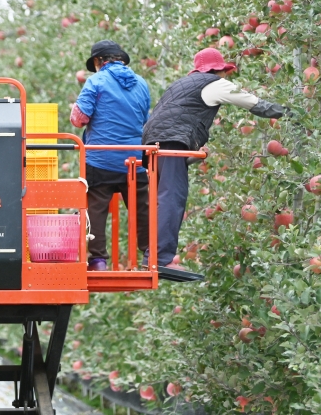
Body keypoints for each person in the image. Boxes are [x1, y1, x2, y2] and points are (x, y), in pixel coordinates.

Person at [142, 48, 288, 268]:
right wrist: (290, 112)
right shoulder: (214, 83)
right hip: (171, 142)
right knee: (173, 197)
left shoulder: (180, 85)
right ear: (218, 70)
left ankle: (152, 256)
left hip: (153, 143)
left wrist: (192, 155)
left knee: (164, 198)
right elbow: (256, 105)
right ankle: (159, 259)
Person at [70, 41, 151, 272]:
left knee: (95, 208)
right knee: (140, 206)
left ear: (98, 62)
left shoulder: (96, 81)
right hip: (135, 160)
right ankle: (148, 254)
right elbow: (145, 119)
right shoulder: (142, 83)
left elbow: (79, 119)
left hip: (100, 158)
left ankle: (98, 261)